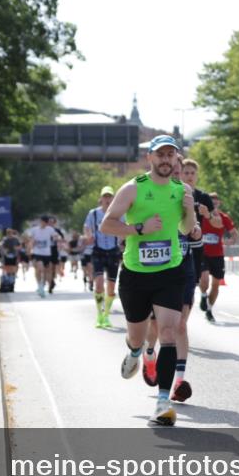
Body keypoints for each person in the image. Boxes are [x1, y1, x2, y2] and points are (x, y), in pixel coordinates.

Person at [99, 135, 196, 426]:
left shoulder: (182, 190)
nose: (166, 159)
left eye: (171, 155)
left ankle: (163, 403)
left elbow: (187, 228)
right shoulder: (133, 189)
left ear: (176, 159)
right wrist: (139, 228)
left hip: (170, 271)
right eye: (160, 154)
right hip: (135, 274)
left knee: (168, 333)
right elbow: (107, 224)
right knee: (138, 336)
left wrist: (190, 210)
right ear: (150, 158)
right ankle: (133, 351)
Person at [143, 152, 203, 403]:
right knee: (156, 325)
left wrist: (196, 231)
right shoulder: (150, 190)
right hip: (156, 265)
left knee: (179, 325)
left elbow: (194, 229)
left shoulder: (186, 193)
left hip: (183, 265)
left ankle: (178, 380)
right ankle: (148, 353)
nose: (179, 175)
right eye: (176, 171)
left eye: (182, 171)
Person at [177, 158, 217, 314]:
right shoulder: (175, 194)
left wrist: (208, 215)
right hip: (177, 244)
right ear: (180, 174)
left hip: (197, 245)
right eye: (186, 172)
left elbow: (217, 222)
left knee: (197, 282)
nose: (189, 176)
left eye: (192, 173)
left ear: (197, 175)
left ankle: (200, 297)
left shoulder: (204, 197)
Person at [85, 186, 123, 329]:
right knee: (99, 283)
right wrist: (88, 235)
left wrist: (123, 238)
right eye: (105, 197)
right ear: (101, 198)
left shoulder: (118, 213)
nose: (107, 199)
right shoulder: (93, 214)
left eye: (110, 197)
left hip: (113, 251)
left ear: (113, 198)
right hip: (98, 251)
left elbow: (125, 227)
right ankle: (99, 314)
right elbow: (87, 227)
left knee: (111, 287)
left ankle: (106, 315)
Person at [199, 192, 239, 323]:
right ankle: (203, 295)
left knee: (216, 285)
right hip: (202, 253)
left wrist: (231, 241)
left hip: (217, 255)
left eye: (216, 200)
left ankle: (209, 310)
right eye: (212, 200)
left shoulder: (224, 218)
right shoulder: (202, 217)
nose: (214, 202)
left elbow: (234, 234)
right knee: (204, 279)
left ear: (219, 203)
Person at [25, 215, 57, 298]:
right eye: (42, 222)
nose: (43, 224)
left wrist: (56, 238)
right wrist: (29, 247)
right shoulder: (34, 230)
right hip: (37, 252)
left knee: (46, 271)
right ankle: (39, 285)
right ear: (40, 222)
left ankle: (42, 285)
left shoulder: (50, 229)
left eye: (45, 223)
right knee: (40, 268)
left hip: (47, 253)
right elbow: (30, 239)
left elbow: (55, 236)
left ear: (46, 223)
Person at [0, 228, 20, 292]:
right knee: (7, 269)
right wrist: (4, 251)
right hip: (7, 256)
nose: (9, 234)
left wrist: (16, 249)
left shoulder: (15, 239)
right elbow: (1, 247)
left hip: (14, 255)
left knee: (13, 269)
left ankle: (12, 283)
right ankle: (9, 283)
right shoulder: (5, 239)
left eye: (10, 233)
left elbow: (19, 246)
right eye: (8, 233)